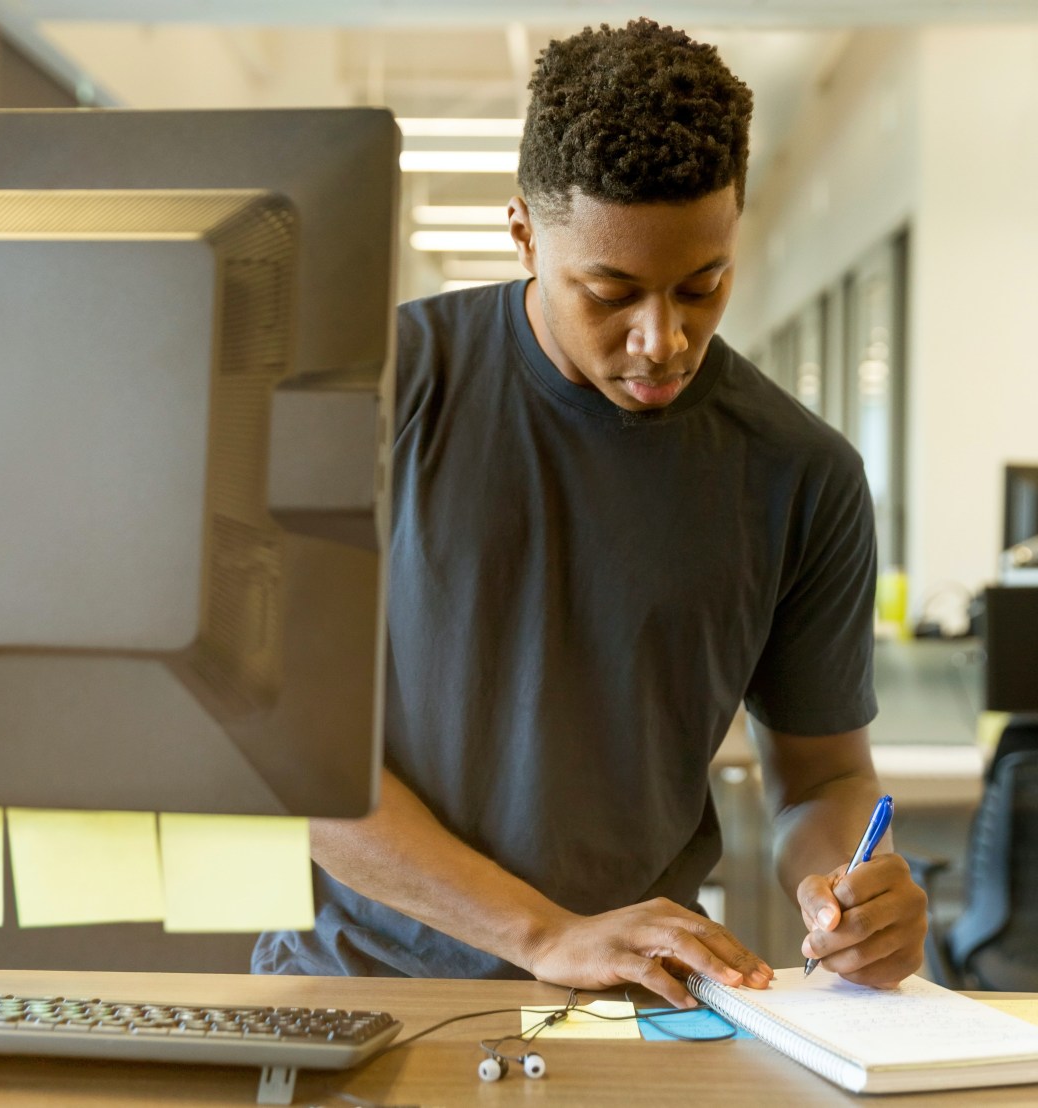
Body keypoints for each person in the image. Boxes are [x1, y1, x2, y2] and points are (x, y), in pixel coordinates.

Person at [252, 18, 927, 1008]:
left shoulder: (801, 472)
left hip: (633, 1005)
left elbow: (823, 780)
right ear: (523, 231)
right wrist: (540, 932)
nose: (663, 339)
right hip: (360, 990)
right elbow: (285, 752)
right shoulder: (375, 395)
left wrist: (852, 893)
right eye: (611, 292)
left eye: (703, 286)